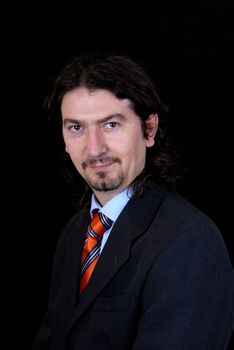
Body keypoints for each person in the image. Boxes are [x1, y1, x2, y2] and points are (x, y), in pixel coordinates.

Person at [32, 53, 234, 350]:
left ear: (148, 129)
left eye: (111, 124)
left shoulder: (190, 241)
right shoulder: (75, 233)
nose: (94, 148)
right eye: (77, 128)